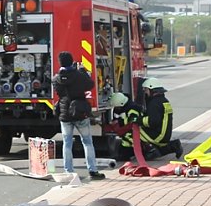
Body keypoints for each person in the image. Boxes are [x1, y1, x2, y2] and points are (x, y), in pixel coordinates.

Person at [51, 51, 105, 180]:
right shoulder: (79, 76)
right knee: (87, 142)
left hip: (65, 113)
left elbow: (58, 90)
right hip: (80, 112)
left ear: (60, 63)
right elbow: (90, 85)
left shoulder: (56, 79)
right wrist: (83, 71)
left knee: (67, 143)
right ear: (72, 61)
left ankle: (68, 171)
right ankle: (92, 170)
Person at [117, 78, 182, 160]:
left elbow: (152, 122)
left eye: (146, 90)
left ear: (152, 89)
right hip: (163, 135)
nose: (145, 92)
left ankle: (130, 153)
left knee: (129, 133)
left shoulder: (154, 103)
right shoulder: (163, 100)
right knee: (142, 137)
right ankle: (172, 146)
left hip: (158, 136)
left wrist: (137, 119)